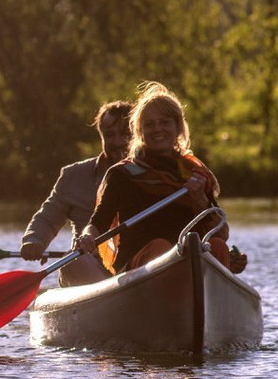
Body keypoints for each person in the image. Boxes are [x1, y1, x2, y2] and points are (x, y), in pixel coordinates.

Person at [74, 81, 248, 274]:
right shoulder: (123, 173)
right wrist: (87, 237)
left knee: (217, 245)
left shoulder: (194, 174)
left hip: (187, 261)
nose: (157, 129)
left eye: (164, 122)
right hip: (140, 264)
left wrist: (199, 199)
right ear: (140, 132)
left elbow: (221, 233)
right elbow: (98, 223)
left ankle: (207, 293)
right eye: (149, 124)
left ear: (178, 127)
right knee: (161, 248)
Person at [20, 100, 133, 286]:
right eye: (110, 135)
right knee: (74, 261)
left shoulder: (151, 173)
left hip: (135, 267)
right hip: (86, 266)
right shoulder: (74, 176)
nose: (118, 141)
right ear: (101, 136)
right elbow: (48, 218)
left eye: (125, 134)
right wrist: (34, 240)